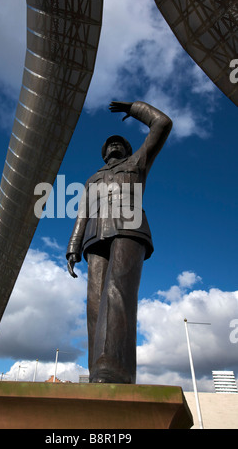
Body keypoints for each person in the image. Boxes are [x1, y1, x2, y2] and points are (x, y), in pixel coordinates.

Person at [66, 100, 173, 383]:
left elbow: (162, 124)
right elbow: (82, 213)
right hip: (94, 236)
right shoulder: (93, 179)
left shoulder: (138, 162)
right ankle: (96, 370)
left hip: (129, 229)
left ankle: (111, 368)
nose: (114, 145)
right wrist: (73, 246)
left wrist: (135, 108)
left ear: (127, 149)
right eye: (109, 144)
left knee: (117, 291)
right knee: (94, 303)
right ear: (103, 154)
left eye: (119, 142)